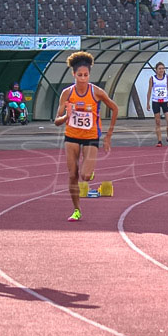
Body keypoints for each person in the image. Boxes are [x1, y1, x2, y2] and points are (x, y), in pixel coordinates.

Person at [54, 52, 118, 222]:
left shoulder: (96, 92)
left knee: (84, 176)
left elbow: (115, 108)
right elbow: (56, 121)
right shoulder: (67, 94)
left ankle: (90, 172)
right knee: (72, 175)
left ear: (89, 75)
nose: (83, 79)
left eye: (86, 75)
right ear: (73, 74)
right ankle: (76, 210)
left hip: (91, 136)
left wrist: (108, 136)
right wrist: (66, 117)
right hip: (72, 136)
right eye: (80, 75)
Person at [146, 62, 168, 147]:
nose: (161, 70)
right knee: (158, 122)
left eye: (163, 68)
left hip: (165, 101)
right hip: (156, 101)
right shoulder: (152, 79)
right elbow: (149, 91)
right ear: (156, 70)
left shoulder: (166, 78)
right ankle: (159, 140)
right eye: (159, 68)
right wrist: (147, 103)